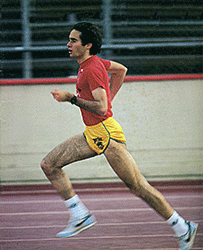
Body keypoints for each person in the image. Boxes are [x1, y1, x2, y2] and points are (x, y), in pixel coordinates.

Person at [41, 22, 198, 249]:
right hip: (94, 134)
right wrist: (109, 99)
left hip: (106, 135)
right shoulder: (92, 64)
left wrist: (71, 98)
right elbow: (121, 70)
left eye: (74, 40)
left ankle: (183, 227)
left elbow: (102, 109)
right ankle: (79, 215)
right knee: (49, 164)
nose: (68, 44)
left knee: (138, 187)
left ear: (88, 45)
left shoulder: (93, 69)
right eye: (70, 39)